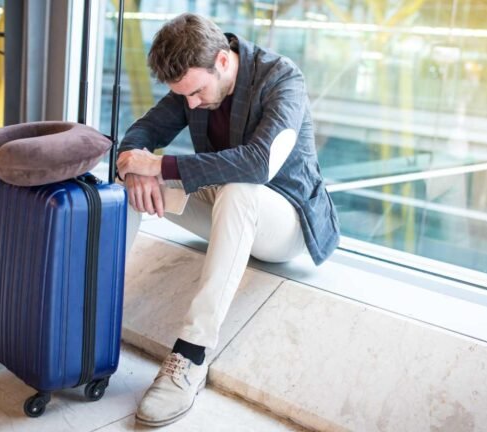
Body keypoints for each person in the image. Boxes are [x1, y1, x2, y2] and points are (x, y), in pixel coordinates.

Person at [116, 12, 340, 427]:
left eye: (197, 93)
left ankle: (191, 356)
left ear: (222, 61)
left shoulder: (281, 78)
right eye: (184, 97)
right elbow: (142, 133)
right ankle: (94, 314)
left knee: (236, 188)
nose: (193, 104)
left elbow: (257, 165)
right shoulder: (194, 86)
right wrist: (133, 168)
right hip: (229, 208)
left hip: (287, 222)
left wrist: (158, 166)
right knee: (129, 186)